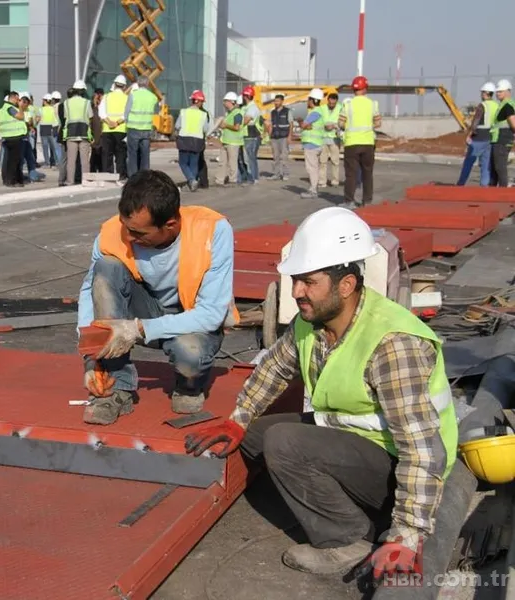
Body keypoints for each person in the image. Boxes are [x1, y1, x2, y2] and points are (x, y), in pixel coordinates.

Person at [185, 206, 458, 578]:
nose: (296, 292)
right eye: (296, 280)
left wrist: (407, 534)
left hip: (398, 467)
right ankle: (338, 505)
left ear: (346, 285)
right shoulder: (312, 322)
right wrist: (238, 420)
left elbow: (422, 449)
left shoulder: (392, 343)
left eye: (308, 282)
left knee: (284, 441)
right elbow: (273, 370)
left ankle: (348, 538)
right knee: (254, 435)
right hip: (357, 440)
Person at [76, 170, 239, 425]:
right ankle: (116, 385)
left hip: (191, 320)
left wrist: (138, 328)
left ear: (170, 225)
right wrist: (92, 356)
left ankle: (188, 383)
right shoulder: (112, 232)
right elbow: (89, 292)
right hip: (145, 309)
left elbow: (210, 314)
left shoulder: (212, 230)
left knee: (191, 353)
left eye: (139, 233)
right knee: (106, 268)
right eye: (126, 228)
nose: (129, 238)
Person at [338, 76, 380, 207]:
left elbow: (341, 123)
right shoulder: (372, 104)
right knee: (367, 173)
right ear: (365, 88)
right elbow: (378, 123)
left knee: (351, 174)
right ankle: (367, 201)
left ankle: (349, 201)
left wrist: (346, 128)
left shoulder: (348, 104)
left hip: (351, 143)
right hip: (368, 143)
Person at [456, 82, 497, 187]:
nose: (481, 94)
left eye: (482, 92)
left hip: (478, 138)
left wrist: (469, 134)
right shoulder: (496, 105)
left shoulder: (482, 105)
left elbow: (476, 121)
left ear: (486, 93)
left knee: (468, 163)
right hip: (489, 138)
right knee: (485, 165)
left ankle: (461, 184)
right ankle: (484, 187)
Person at [175, 90, 211, 191]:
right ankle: (192, 182)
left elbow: (177, 126)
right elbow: (205, 129)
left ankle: (191, 180)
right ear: (198, 101)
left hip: (184, 140)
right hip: (197, 141)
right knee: (193, 164)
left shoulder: (183, 112)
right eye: (201, 102)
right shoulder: (203, 115)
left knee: (183, 163)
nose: (202, 104)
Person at [125, 75, 159, 177]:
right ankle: (145, 177)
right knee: (145, 155)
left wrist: (127, 123)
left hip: (133, 129)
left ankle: (133, 177)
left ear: (138, 84)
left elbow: (126, 112)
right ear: (147, 84)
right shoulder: (153, 97)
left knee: (132, 155)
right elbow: (156, 111)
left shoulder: (133, 95)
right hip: (146, 130)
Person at [100, 75, 129, 182]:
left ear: (114, 84)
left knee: (107, 154)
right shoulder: (127, 98)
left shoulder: (106, 97)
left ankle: (108, 175)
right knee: (121, 154)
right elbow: (127, 114)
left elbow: (101, 113)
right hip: (121, 130)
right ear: (124, 86)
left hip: (107, 130)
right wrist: (117, 123)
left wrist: (109, 123)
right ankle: (121, 175)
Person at [296, 88, 325, 199]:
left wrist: (299, 120)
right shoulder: (318, 112)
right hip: (315, 143)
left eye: (308, 99)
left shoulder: (315, 112)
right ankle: (314, 188)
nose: (307, 102)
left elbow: (304, 125)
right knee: (314, 167)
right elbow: (308, 126)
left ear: (313, 100)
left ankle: (313, 190)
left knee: (312, 168)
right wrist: (305, 125)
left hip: (312, 144)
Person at [64, 80, 93, 186]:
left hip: (71, 133)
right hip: (84, 133)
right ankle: (86, 181)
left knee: (71, 160)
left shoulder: (66, 102)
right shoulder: (87, 102)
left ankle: (70, 181)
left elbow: (66, 117)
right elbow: (90, 117)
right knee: (85, 161)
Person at [0, 91, 28, 187]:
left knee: (9, 160)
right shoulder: (10, 108)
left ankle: (10, 180)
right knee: (14, 161)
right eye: (18, 99)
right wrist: (21, 108)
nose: (18, 101)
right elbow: (20, 116)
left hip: (7, 137)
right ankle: (11, 181)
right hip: (14, 137)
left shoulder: (2, 109)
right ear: (13, 98)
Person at [490, 79, 514, 188]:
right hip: (498, 139)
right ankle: (494, 190)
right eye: (497, 91)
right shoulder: (503, 105)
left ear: (507, 91)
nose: (497, 93)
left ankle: (503, 192)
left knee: (500, 167)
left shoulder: (507, 106)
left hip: (502, 140)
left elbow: (513, 124)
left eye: (500, 91)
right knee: (496, 167)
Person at [215, 92, 244, 186]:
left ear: (231, 102)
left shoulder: (237, 113)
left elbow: (237, 127)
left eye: (225, 101)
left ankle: (233, 180)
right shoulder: (229, 113)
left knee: (232, 163)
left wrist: (225, 125)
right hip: (226, 141)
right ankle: (219, 180)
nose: (224, 103)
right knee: (222, 162)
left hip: (233, 142)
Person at [240, 86, 262, 185]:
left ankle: (253, 178)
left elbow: (246, 121)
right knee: (247, 158)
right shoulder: (245, 107)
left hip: (252, 136)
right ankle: (251, 177)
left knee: (250, 158)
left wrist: (235, 124)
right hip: (246, 135)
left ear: (246, 96)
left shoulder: (252, 108)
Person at [319, 92, 342, 188]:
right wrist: (324, 126)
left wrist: (334, 126)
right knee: (322, 161)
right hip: (323, 137)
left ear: (336, 101)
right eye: (330, 102)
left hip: (335, 138)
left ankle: (335, 181)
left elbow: (343, 121)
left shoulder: (341, 108)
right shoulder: (322, 108)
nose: (331, 104)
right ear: (328, 100)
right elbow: (319, 121)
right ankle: (322, 182)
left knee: (335, 161)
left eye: (334, 103)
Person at [266, 93, 291, 181]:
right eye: (275, 101)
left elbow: (290, 123)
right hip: (274, 137)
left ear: (282, 101)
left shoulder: (287, 111)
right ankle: (276, 174)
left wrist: (289, 136)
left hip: (284, 137)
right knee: (275, 157)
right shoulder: (272, 112)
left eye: (277, 101)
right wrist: (269, 136)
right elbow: (271, 125)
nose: (276, 103)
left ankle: (285, 174)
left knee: (284, 156)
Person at [39, 93, 60, 168]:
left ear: (44, 101)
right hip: (52, 129)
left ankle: (47, 163)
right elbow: (56, 120)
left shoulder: (41, 109)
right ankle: (56, 163)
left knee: (45, 147)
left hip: (43, 129)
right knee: (54, 147)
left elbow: (38, 119)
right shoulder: (53, 109)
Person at [90, 88, 105, 173]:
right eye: (97, 95)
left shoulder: (105, 106)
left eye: (100, 95)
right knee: (94, 155)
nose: (98, 97)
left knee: (102, 156)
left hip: (102, 136)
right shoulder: (92, 107)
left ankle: (102, 170)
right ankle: (93, 171)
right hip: (94, 136)